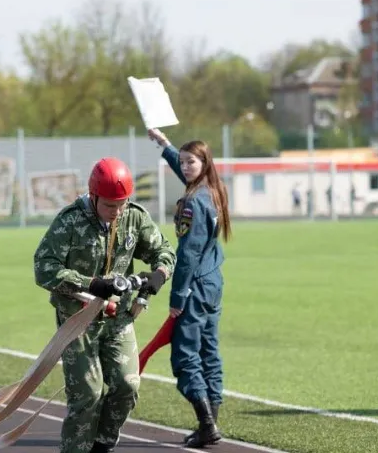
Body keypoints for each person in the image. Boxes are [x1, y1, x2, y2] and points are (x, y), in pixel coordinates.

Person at [33, 157, 176, 453]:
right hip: (78, 320)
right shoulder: (69, 221)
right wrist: (90, 283)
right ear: (94, 196)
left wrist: (158, 275)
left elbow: (163, 250)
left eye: (122, 203)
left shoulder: (134, 217)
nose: (117, 212)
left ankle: (103, 444)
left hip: (118, 318)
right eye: (110, 205)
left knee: (127, 385)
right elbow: (44, 268)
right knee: (87, 394)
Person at [148, 128, 231, 448]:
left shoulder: (193, 202)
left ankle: (207, 424)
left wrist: (176, 297)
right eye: (181, 162)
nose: (184, 167)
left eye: (190, 162)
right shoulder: (214, 190)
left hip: (194, 286)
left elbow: (188, 255)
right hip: (213, 283)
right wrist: (165, 145)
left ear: (204, 163)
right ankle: (211, 423)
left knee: (185, 356)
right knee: (210, 351)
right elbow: (188, 174)